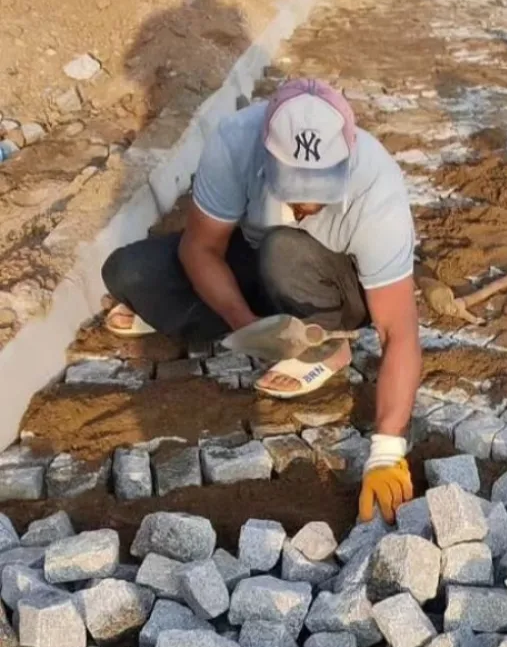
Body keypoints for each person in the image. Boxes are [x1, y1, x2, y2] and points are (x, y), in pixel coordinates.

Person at [101, 77, 421, 525]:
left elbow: (399, 331)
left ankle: (326, 344)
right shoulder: (235, 143)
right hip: (257, 258)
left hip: (332, 286)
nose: (305, 205)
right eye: (294, 189)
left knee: (283, 250)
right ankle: (271, 324)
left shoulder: (376, 185)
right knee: (127, 273)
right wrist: (248, 326)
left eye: (319, 192)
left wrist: (387, 452)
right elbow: (201, 248)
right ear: (268, 159)